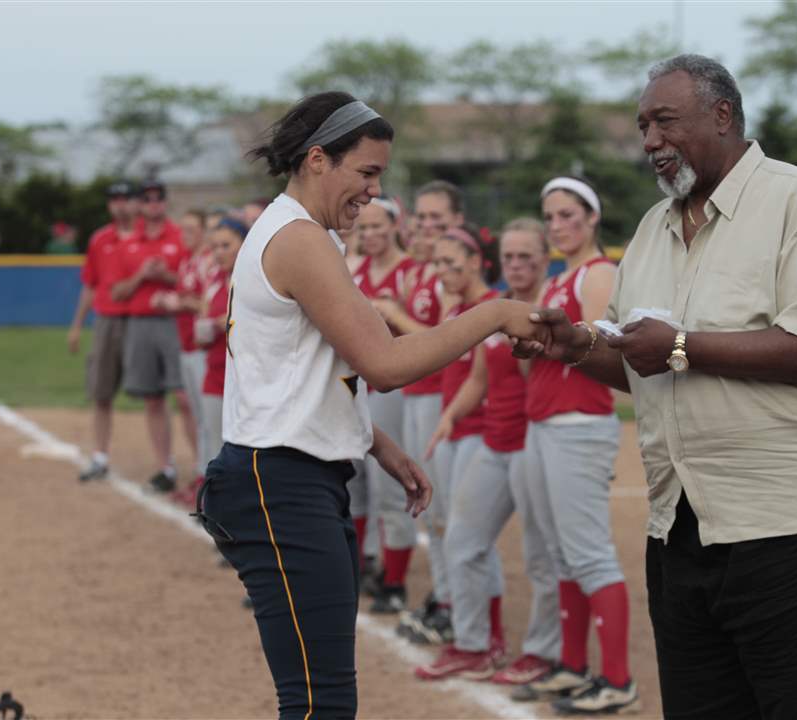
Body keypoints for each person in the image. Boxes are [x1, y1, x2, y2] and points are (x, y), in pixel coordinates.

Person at [519, 54, 797, 719]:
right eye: (642, 125)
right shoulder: (653, 230)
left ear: (723, 115)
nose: (649, 141)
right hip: (687, 520)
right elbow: (636, 356)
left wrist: (681, 347)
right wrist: (572, 347)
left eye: (664, 121)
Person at [196, 91, 546, 720]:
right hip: (280, 481)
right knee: (319, 704)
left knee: (320, 699)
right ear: (317, 159)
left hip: (287, 476)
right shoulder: (299, 238)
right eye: (366, 173)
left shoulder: (300, 234)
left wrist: (377, 445)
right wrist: (492, 312)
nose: (375, 192)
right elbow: (383, 365)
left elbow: (308, 372)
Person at [510, 175, 636, 714]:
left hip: (579, 422)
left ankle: (617, 679)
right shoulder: (560, 277)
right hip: (546, 422)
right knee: (562, 553)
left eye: (568, 215)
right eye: (551, 217)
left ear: (591, 219)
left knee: (588, 553)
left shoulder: (598, 272)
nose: (558, 225)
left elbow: (608, 351)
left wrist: (548, 345)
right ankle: (571, 665)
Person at [414, 218, 559, 685]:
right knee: (463, 541)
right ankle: (476, 645)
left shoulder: (551, 307)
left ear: (544, 258)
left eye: (526, 257)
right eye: (511, 257)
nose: (516, 265)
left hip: (533, 443)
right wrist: (450, 416)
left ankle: (544, 651)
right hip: (497, 444)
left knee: (542, 554)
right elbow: (478, 377)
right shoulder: (499, 308)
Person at [371, 179, 465, 639]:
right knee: (430, 505)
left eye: (438, 220)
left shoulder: (449, 273)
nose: (427, 228)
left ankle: (450, 600)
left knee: (443, 505)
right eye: (422, 219)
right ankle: (444, 594)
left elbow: (437, 337)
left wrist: (391, 311)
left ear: (457, 223)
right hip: (415, 393)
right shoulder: (418, 272)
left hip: (439, 396)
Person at [350, 196, 418, 614]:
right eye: (364, 228)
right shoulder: (353, 270)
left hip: (394, 388)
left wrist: (391, 311)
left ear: (395, 227)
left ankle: (394, 582)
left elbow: (425, 334)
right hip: (358, 385)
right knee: (353, 480)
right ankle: (359, 566)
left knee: (388, 488)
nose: (371, 235)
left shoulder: (409, 273)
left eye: (379, 227)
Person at [110, 179, 189, 493]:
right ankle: (165, 467)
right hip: (140, 323)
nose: (153, 203)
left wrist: (165, 276)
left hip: (174, 322)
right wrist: (142, 275)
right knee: (153, 398)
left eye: (158, 198)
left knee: (184, 397)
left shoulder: (180, 237)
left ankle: (202, 468)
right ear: (140, 204)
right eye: (147, 199)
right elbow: (116, 292)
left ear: (165, 203)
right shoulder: (128, 243)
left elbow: (191, 282)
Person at [68, 181, 141, 481]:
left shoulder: (148, 235)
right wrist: (76, 326)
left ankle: (168, 465)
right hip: (107, 320)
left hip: (143, 320)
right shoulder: (100, 239)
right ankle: (100, 456)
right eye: (114, 199)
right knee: (101, 392)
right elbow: (90, 284)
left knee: (158, 395)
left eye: (125, 198)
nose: (120, 204)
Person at [154, 209, 217, 507]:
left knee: (207, 419)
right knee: (198, 415)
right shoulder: (187, 261)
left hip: (203, 348)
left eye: (193, 230)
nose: (186, 235)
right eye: (184, 230)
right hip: (188, 345)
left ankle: (207, 481)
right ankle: (201, 476)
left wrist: (177, 302)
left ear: (205, 232)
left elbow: (208, 304)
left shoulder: (206, 261)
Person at [195, 217, 247, 475]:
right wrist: (204, 329)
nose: (219, 252)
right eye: (215, 247)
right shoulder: (214, 280)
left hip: (247, 378)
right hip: (216, 374)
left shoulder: (253, 277)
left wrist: (225, 321)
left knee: (246, 449)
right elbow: (202, 331)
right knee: (215, 446)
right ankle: (215, 509)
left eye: (226, 245)